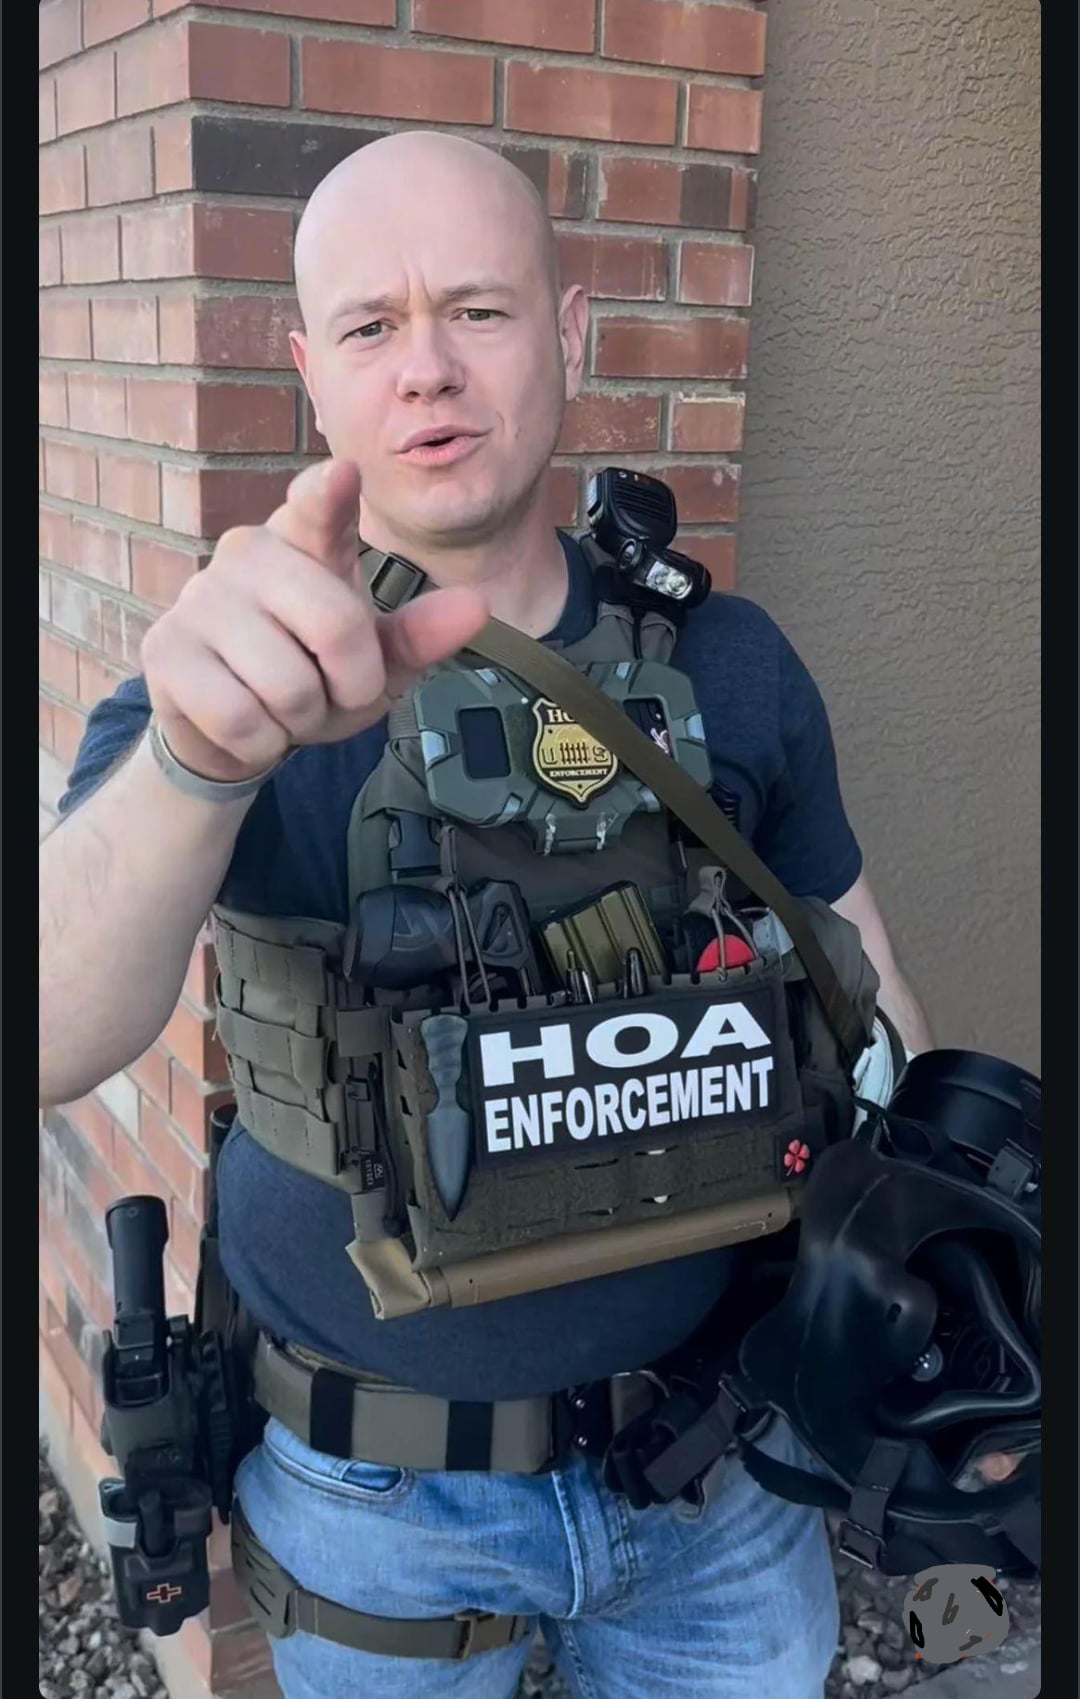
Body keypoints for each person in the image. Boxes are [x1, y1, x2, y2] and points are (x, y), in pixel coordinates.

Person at [41, 131, 942, 1699]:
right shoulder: (238, 682)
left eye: (479, 309)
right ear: (315, 374)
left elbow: (872, 1002)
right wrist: (195, 764)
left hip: (716, 1475)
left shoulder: (731, 667)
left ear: (570, 332)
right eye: (374, 328)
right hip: (376, 1498)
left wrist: (931, 1288)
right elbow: (50, 1031)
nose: (429, 372)